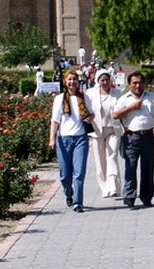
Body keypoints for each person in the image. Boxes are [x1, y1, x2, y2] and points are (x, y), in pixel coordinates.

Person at [113, 71, 154, 207]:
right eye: (134, 83)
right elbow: (116, 114)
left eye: (140, 82)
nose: (138, 85)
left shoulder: (152, 97)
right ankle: (130, 195)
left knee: (148, 168)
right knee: (130, 167)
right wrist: (131, 107)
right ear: (129, 84)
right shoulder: (125, 98)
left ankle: (146, 196)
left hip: (148, 136)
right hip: (131, 137)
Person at [48, 70, 94, 212]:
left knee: (79, 172)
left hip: (80, 138)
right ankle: (68, 192)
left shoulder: (84, 97)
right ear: (65, 82)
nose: (72, 82)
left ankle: (78, 202)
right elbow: (55, 120)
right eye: (69, 79)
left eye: (74, 79)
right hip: (64, 139)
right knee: (65, 174)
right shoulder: (60, 99)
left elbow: (92, 113)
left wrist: (89, 118)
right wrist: (52, 138)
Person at [85, 69, 124, 199]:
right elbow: (86, 109)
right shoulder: (90, 94)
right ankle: (104, 188)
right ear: (98, 81)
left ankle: (113, 186)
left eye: (107, 79)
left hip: (113, 130)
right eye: (102, 80)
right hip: (97, 131)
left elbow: (122, 110)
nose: (105, 82)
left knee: (111, 157)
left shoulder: (117, 94)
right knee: (100, 161)